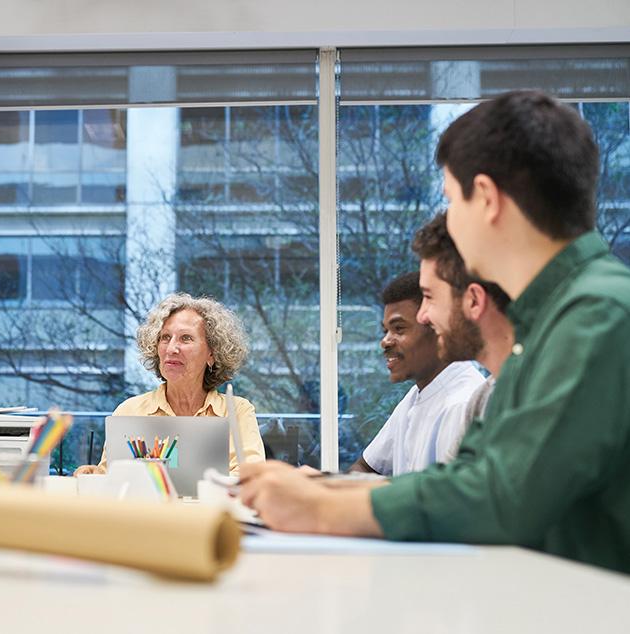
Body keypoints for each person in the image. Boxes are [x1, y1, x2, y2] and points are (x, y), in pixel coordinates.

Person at [239, 90, 630, 575]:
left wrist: (319, 507)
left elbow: (501, 496)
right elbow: (470, 476)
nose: (450, 222)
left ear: (486, 198)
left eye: (451, 200)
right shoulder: (552, 321)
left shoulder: (598, 313)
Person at [75, 293, 265, 476]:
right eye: (165, 338)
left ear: (212, 354)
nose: (171, 349)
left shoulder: (237, 411)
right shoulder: (130, 410)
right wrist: (94, 474)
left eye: (186, 338)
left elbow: (250, 477)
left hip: (211, 509)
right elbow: (112, 479)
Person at [349, 272, 484, 475]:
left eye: (399, 329)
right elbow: (365, 467)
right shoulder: (417, 394)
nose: (385, 341)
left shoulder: (462, 403)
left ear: (436, 327)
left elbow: (443, 501)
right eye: (385, 330)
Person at [412, 212, 514, 459]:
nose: (421, 316)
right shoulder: (485, 398)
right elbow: (445, 492)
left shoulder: (534, 402)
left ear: (474, 301)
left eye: (428, 297)